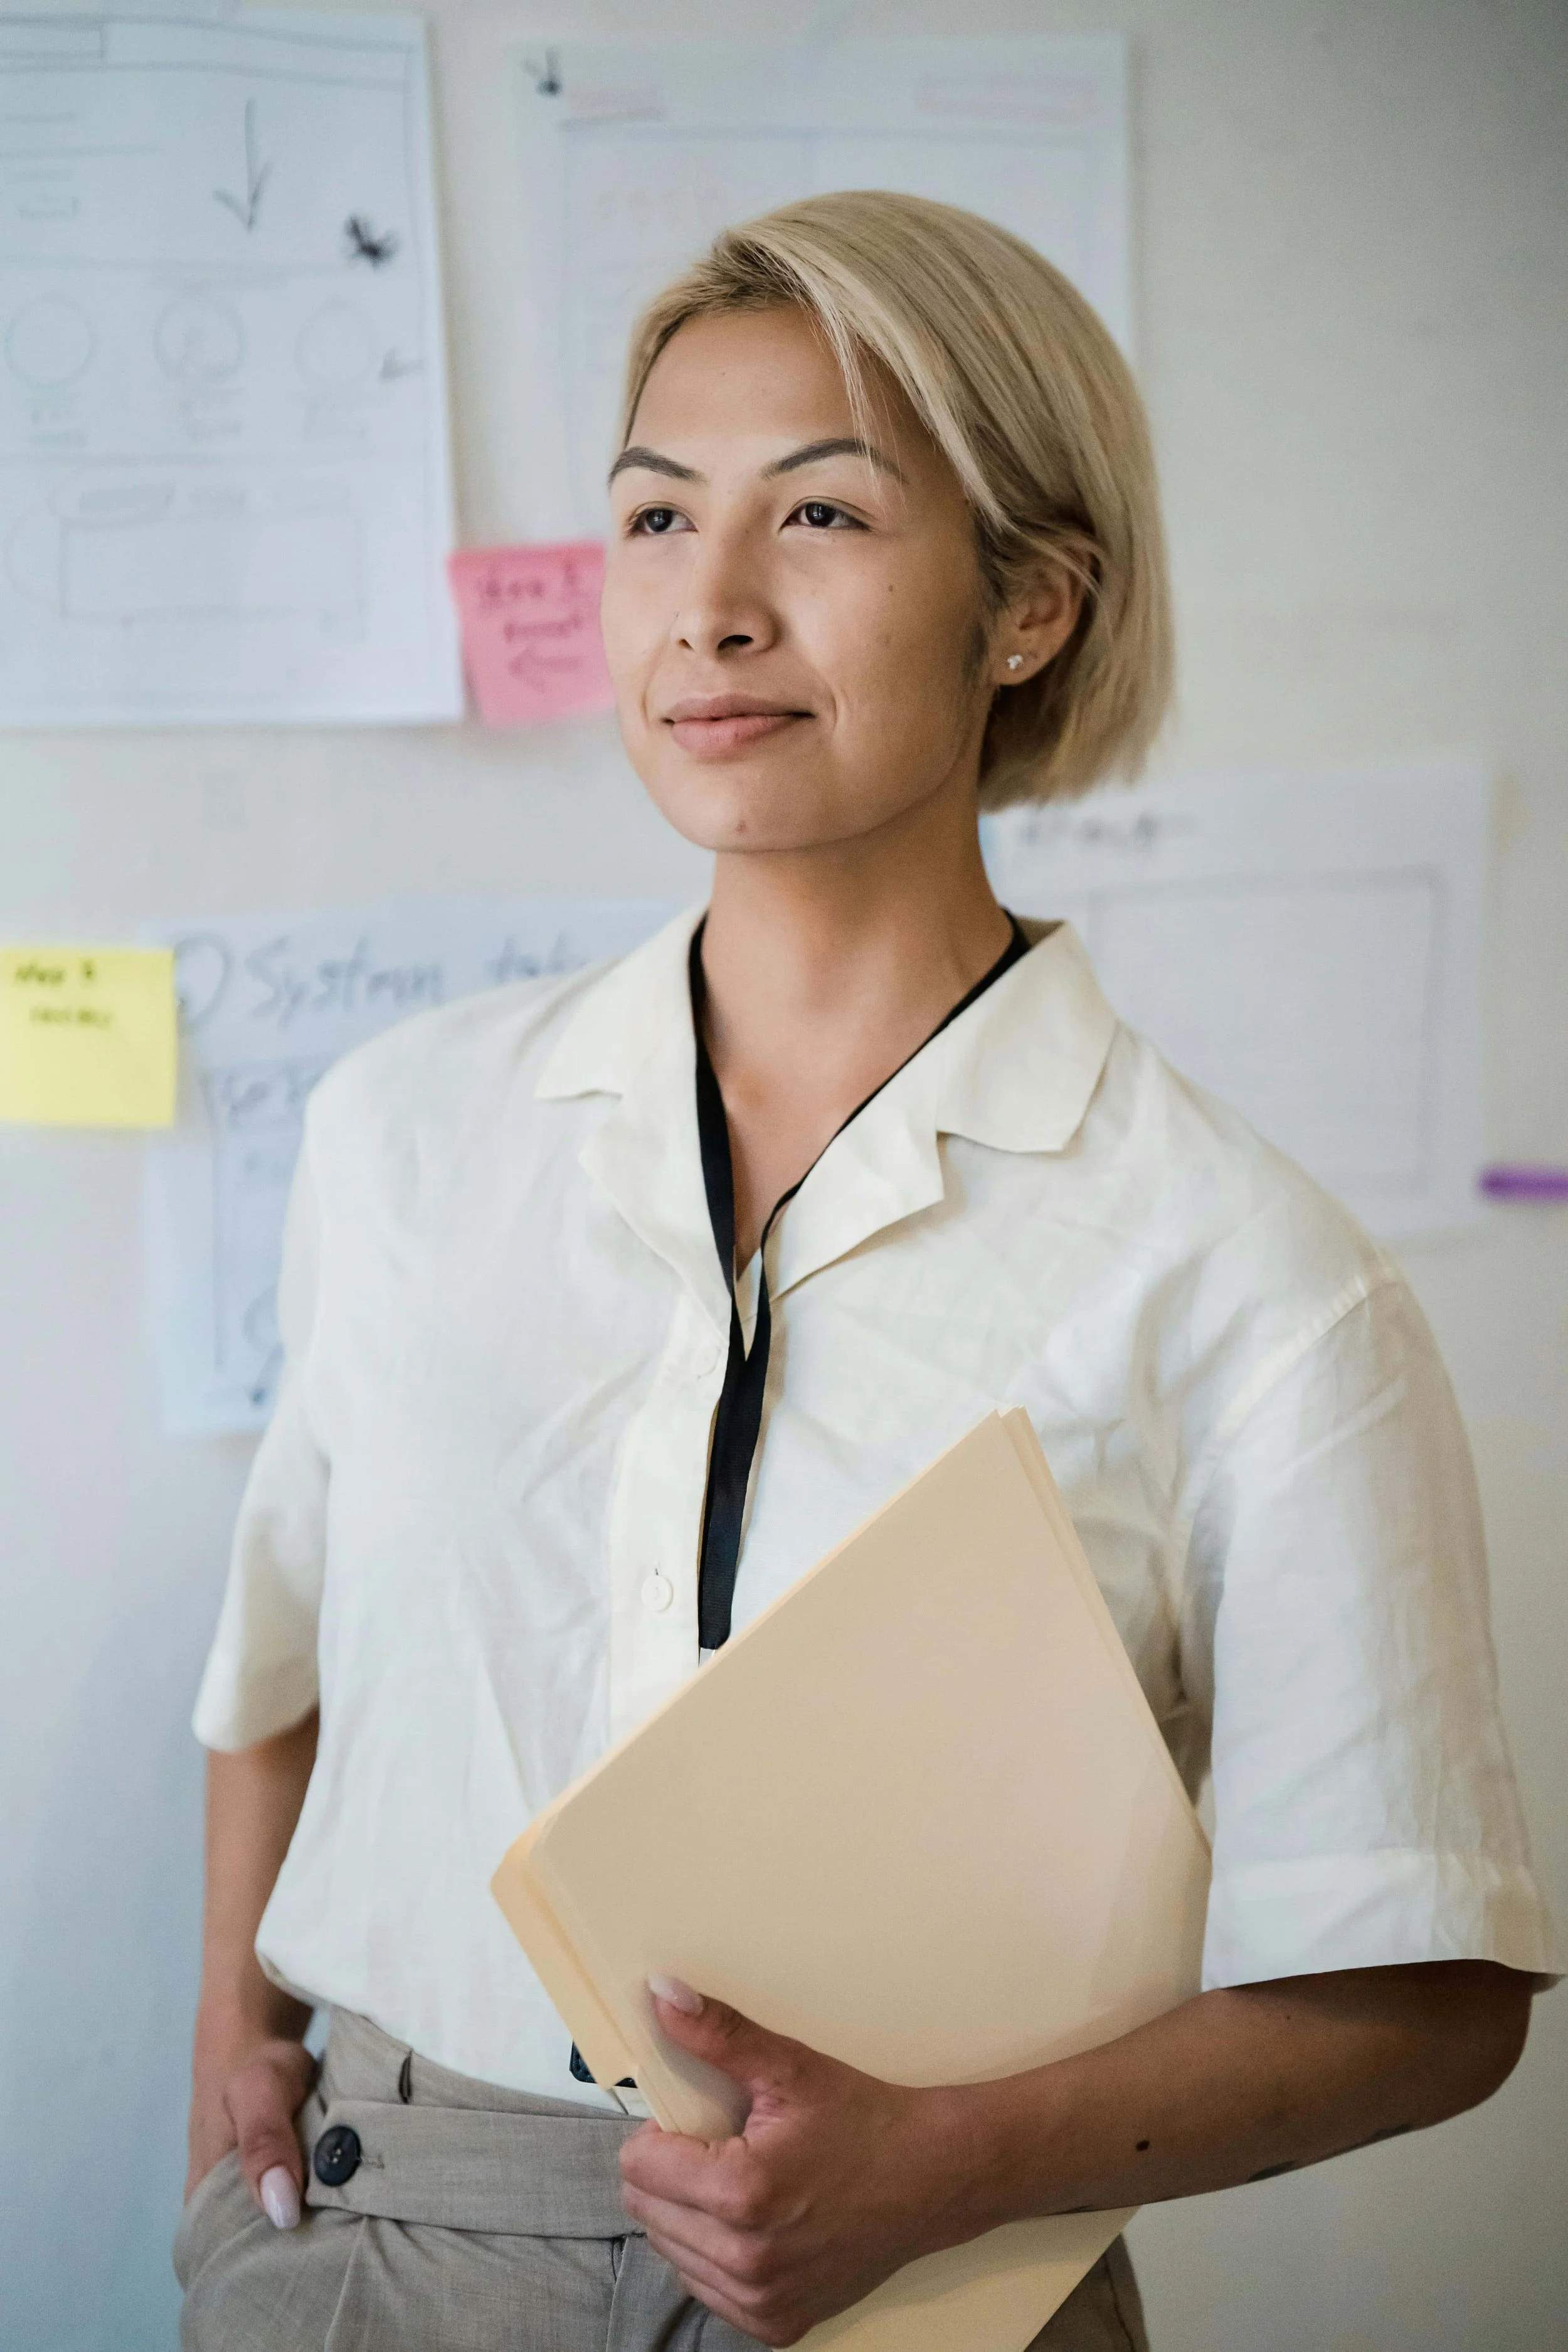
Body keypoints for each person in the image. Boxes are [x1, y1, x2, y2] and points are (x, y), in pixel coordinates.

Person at [176, 191, 1556, 2352]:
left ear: (1028, 604)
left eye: (817, 512)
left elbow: (1425, 1999)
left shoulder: (1243, 1273)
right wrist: (227, 2048)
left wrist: (953, 2163)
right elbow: (273, 1682)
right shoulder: (402, 1135)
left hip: (926, 2287)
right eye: (654, 519)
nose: (707, 610)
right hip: (378, 2242)